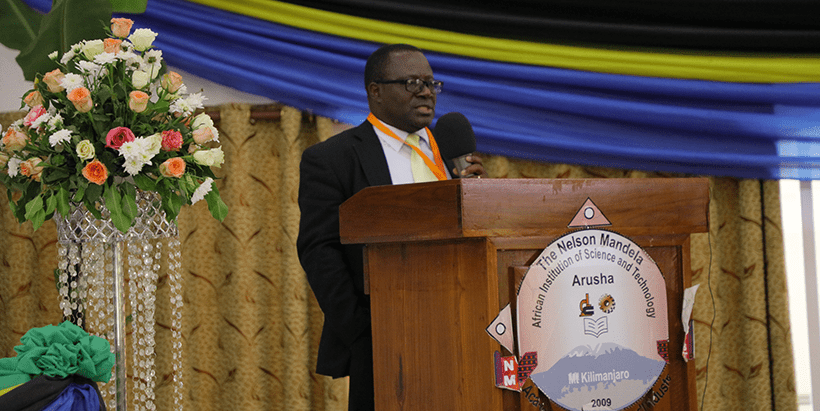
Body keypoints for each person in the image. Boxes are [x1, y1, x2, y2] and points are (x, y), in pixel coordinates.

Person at [296, 44, 486, 411]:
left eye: (431, 83)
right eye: (413, 83)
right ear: (376, 91)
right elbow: (319, 251)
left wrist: (482, 196)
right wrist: (364, 330)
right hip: (383, 338)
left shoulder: (450, 153)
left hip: (463, 326)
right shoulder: (333, 159)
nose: (426, 92)